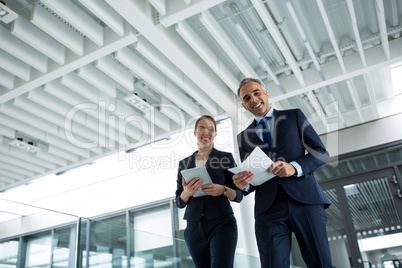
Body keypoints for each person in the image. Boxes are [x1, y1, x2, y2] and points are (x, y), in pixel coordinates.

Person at [232, 78, 334, 268]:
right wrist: (243, 184)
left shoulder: (294, 116)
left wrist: (294, 167)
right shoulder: (243, 137)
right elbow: (251, 178)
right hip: (268, 209)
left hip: (305, 201)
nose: (253, 99)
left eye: (256, 92)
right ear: (244, 106)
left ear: (266, 93)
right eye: (247, 98)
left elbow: (321, 153)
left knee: (321, 264)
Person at [175, 115, 243, 268]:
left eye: (210, 129)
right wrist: (186, 193)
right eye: (201, 129)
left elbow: (238, 195)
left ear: (215, 133)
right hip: (194, 226)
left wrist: (223, 189)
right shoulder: (184, 163)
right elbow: (179, 202)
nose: (206, 132)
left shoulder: (225, 158)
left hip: (221, 223)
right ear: (195, 133)